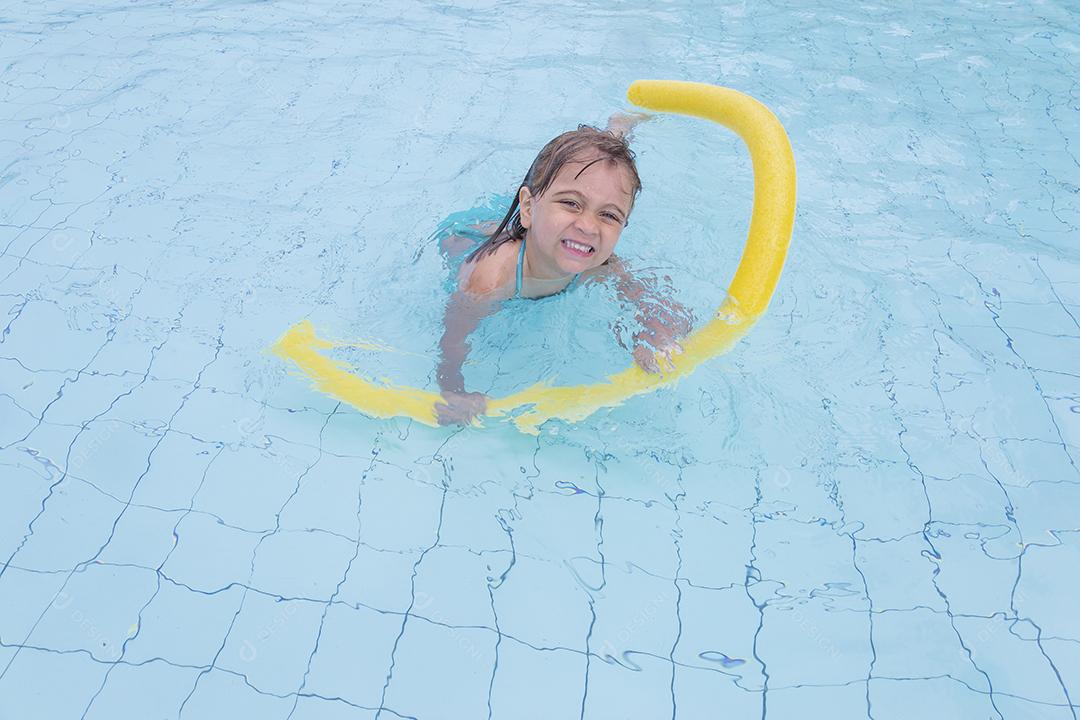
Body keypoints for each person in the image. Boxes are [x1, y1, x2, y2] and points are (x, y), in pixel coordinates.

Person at [434, 112, 695, 426]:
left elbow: (655, 303)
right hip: (467, 235)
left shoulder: (596, 262)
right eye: (571, 204)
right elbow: (453, 339)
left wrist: (655, 334)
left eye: (609, 216)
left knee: (602, 166)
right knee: (577, 181)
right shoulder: (490, 277)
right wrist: (454, 390)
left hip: (546, 226)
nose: (588, 226)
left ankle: (617, 130)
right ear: (528, 209)